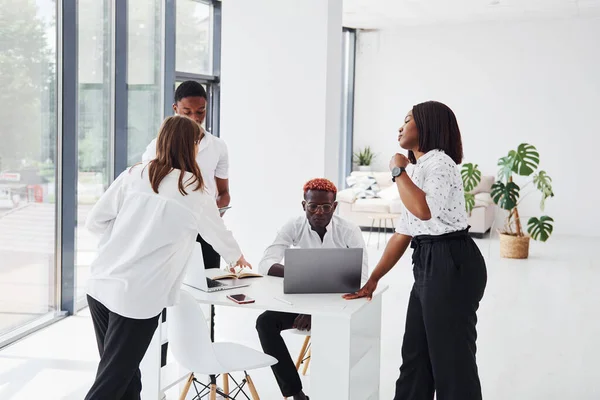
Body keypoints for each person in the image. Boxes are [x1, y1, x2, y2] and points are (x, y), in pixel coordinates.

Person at [84, 115, 250, 400]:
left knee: (124, 374)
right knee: (113, 380)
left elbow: (94, 222)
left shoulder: (134, 174)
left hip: (100, 285)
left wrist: (123, 244)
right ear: (192, 146)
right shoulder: (196, 191)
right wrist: (239, 259)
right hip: (136, 298)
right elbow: (218, 234)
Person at [344, 101, 487, 400]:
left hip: (451, 260)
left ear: (427, 126)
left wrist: (398, 170)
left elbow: (424, 211)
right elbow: (403, 232)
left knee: (452, 363)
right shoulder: (420, 169)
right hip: (429, 261)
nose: (400, 126)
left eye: (407, 120)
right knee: (415, 357)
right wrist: (373, 280)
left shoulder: (440, 163)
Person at [256, 178, 368, 400]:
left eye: (326, 206)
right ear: (303, 205)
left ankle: (336, 392)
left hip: (338, 307)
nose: (319, 212)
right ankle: (297, 394)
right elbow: (265, 264)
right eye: (312, 206)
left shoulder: (349, 230)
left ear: (334, 206)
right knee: (265, 323)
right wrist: (300, 270)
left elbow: (360, 279)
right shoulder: (294, 225)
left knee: (332, 327)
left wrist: (315, 312)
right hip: (302, 304)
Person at [142, 80, 229, 270]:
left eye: (200, 111)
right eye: (187, 111)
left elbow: (223, 192)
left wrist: (216, 209)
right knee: (172, 284)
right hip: (170, 229)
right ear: (175, 108)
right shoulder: (156, 147)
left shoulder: (218, 147)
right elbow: (148, 188)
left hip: (205, 228)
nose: (194, 118)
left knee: (209, 285)